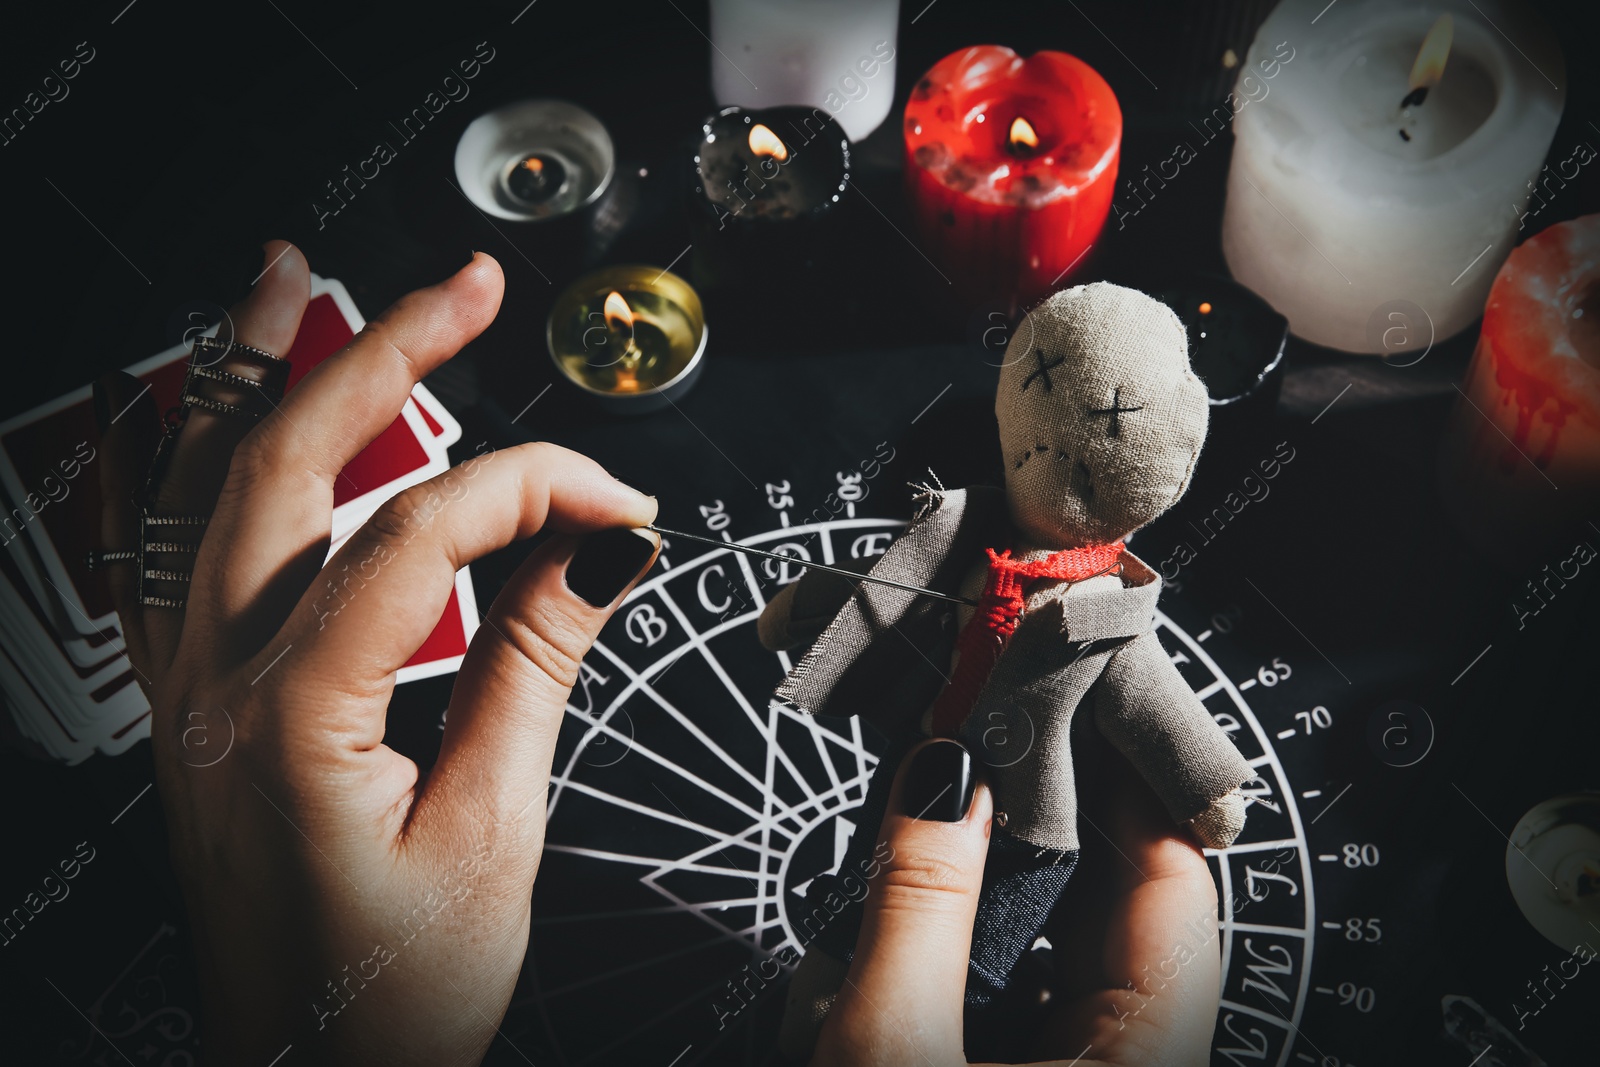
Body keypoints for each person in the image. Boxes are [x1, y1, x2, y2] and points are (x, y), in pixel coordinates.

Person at [93, 241, 1225, 1065]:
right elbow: (890, 598)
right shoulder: (957, 530)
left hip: (1027, 824)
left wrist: (1208, 784)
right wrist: (801, 615)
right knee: (858, 921)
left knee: (975, 959)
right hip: (918, 759)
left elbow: (1154, 706)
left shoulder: (1105, 612)